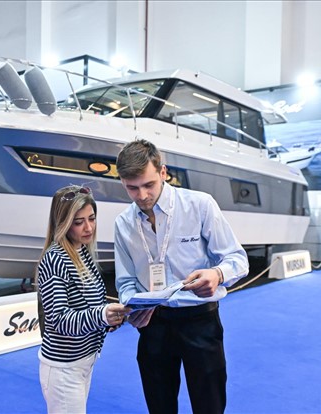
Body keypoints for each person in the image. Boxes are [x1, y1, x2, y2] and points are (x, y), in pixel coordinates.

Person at [114, 139, 249, 414]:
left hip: (199, 321)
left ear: (163, 172)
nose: (142, 195)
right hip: (153, 324)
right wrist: (132, 305)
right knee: (159, 406)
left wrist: (217, 273)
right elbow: (125, 281)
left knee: (210, 406)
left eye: (148, 184)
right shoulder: (123, 223)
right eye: (132, 188)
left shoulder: (199, 205)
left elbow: (238, 259)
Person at [37, 185, 130, 414]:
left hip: (83, 361)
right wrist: (102, 315)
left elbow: (90, 307)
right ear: (63, 223)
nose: (88, 227)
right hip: (64, 368)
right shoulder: (55, 259)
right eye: (79, 222)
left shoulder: (83, 252)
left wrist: (110, 319)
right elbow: (59, 320)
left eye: (92, 218)